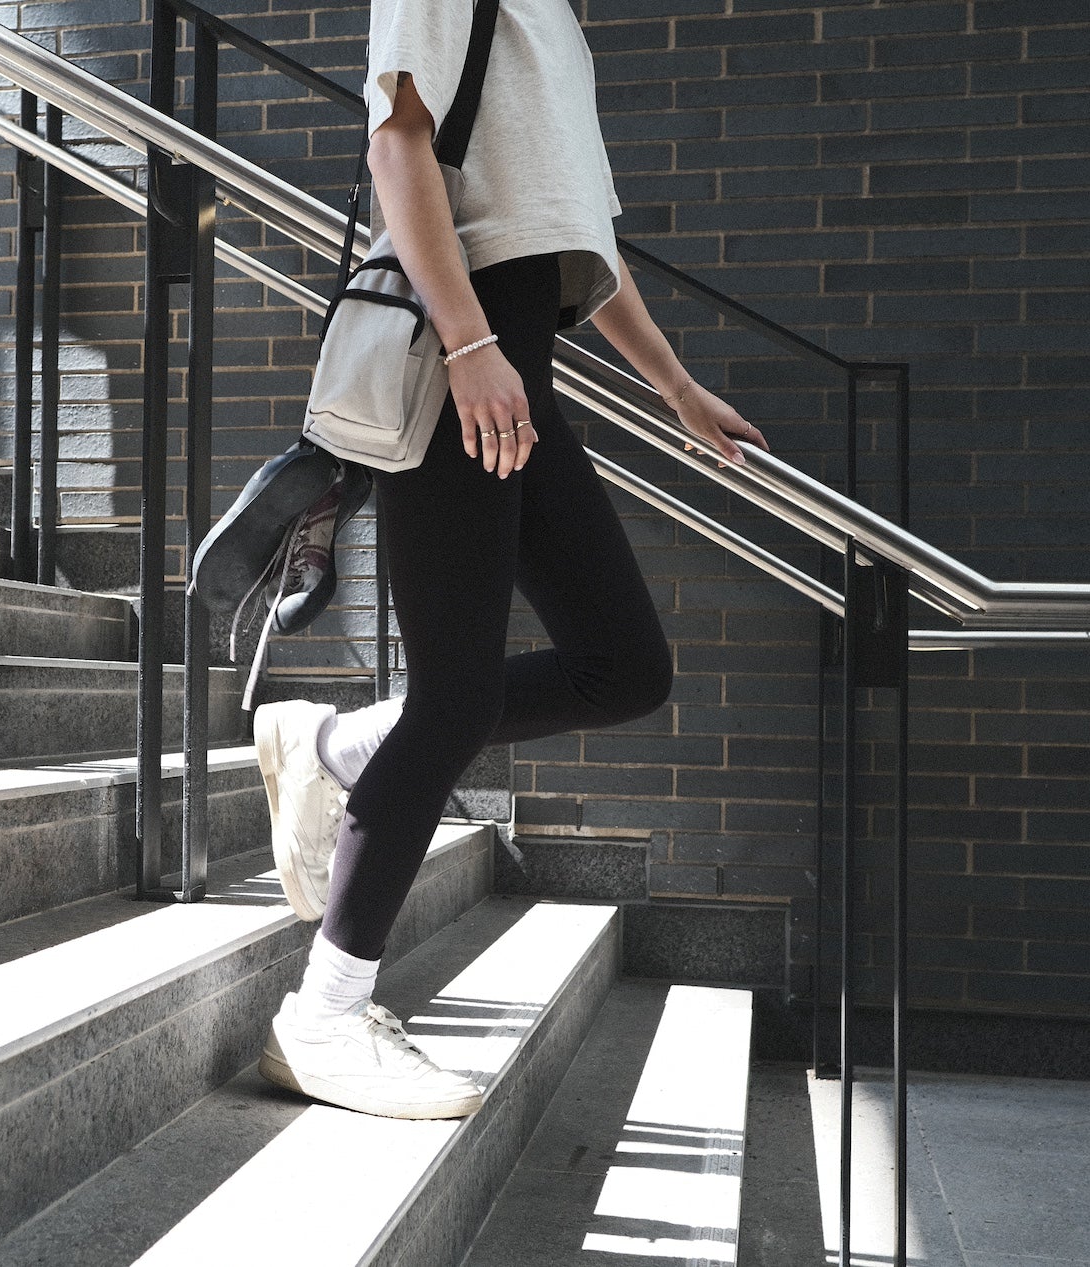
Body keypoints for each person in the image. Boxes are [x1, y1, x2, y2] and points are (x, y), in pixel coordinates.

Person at [254, 0, 768, 1121]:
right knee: (457, 695)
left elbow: (576, 238)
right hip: (463, 363)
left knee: (624, 665)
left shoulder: (559, 22)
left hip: (515, 371)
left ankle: (333, 739)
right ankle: (323, 1017)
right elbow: (398, 147)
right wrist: (471, 344)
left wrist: (676, 390)